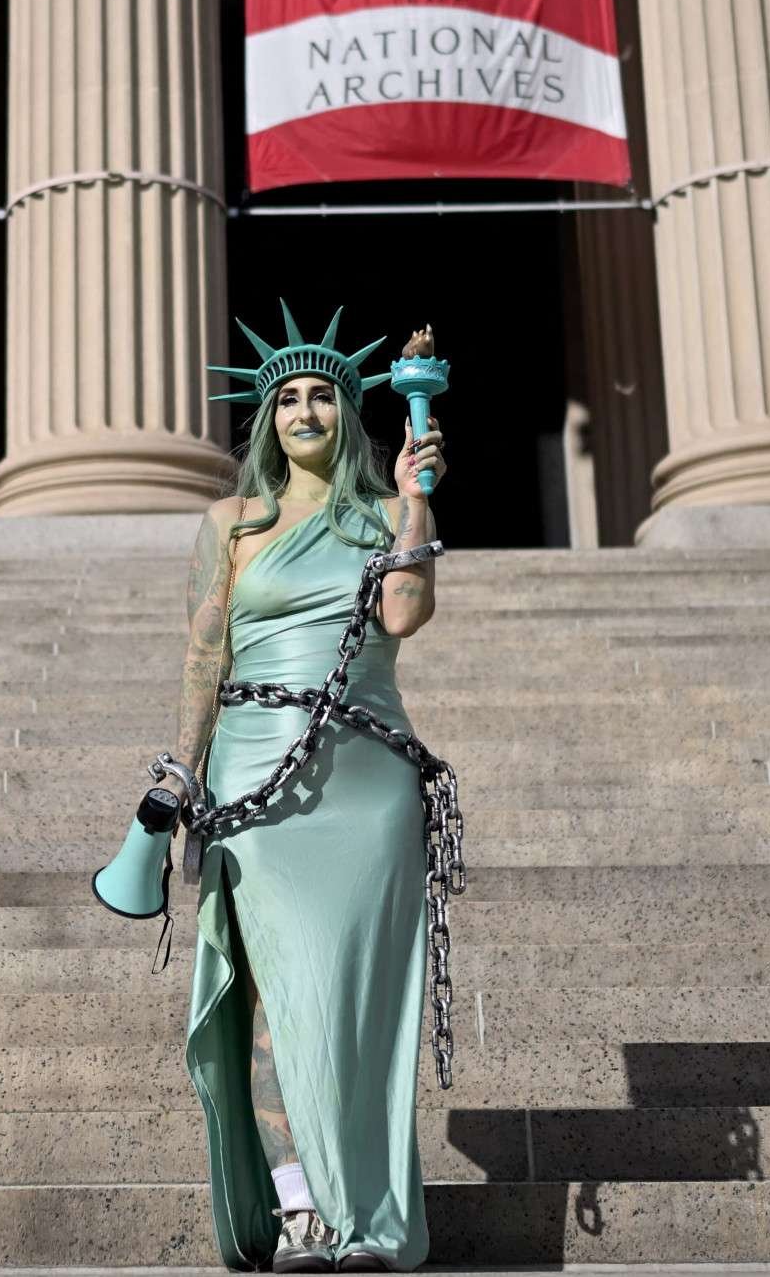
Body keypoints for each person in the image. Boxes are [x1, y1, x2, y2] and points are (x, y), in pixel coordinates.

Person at [176, 309, 449, 1273]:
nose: (302, 409)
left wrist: (416, 501)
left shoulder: (382, 514)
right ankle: (300, 1211)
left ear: (347, 415)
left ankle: (366, 1214)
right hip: (251, 782)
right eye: (285, 396)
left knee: (357, 1005)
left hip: (365, 781)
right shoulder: (230, 523)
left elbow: (404, 615)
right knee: (264, 1000)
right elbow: (204, 652)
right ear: (264, 418)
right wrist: (180, 776)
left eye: (321, 395)